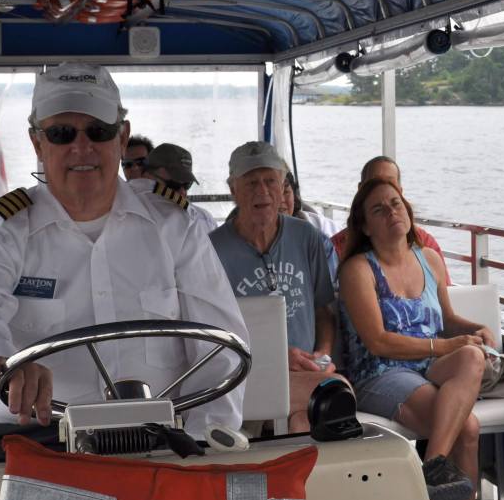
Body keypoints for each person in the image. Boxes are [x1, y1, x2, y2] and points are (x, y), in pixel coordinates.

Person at [0, 63, 248, 443]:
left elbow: (218, 347)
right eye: (62, 133)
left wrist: (204, 442)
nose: (82, 147)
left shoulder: (177, 226)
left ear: (122, 137)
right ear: (37, 143)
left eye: (99, 130)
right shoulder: (2, 230)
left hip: (158, 442)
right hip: (33, 444)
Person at [339, 177, 504, 500]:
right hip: (381, 371)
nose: (391, 213)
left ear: (408, 210)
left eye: (396, 203)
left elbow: (447, 319)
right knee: (467, 427)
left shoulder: (429, 259)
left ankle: (432, 461)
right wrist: (446, 345)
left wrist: (472, 330)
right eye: (379, 209)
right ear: (366, 226)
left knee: (472, 357)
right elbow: (377, 341)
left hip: (428, 365)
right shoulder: (358, 270)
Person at [209, 141, 342, 433]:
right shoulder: (212, 249)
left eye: (270, 181)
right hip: (247, 376)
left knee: (304, 418)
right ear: (233, 190)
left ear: (283, 186)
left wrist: (323, 353)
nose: (262, 191)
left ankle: (292, 477)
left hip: (305, 373)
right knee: (335, 391)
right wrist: (276, 357)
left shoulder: (306, 237)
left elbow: (323, 310)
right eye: (251, 182)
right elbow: (212, 335)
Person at [331, 155, 452, 284]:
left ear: (400, 193)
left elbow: (447, 295)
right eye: (373, 183)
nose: (382, 189)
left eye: (390, 184)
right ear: (360, 190)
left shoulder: (426, 245)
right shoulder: (335, 249)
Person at [142, 142, 217, 233]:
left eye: (187, 185)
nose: (182, 192)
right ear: (147, 178)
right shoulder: (127, 217)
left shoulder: (205, 222)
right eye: (174, 185)